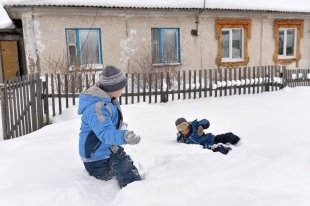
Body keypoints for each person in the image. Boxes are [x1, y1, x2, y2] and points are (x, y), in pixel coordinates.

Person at [78, 65, 141, 188]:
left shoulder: (108, 100)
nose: (123, 90)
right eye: (121, 87)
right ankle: (135, 193)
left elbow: (109, 124)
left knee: (127, 163)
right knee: (125, 170)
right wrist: (124, 136)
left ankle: (136, 185)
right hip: (97, 159)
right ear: (113, 88)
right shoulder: (97, 108)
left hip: (108, 150)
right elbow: (106, 134)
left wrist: (121, 128)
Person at [175, 117, 240, 155]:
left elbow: (205, 121)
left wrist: (201, 126)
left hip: (211, 139)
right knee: (220, 150)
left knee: (230, 136)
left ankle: (240, 143)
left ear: (188, 125)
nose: (184, 130)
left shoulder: (194, 126)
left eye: (184, 126)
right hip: (205, 148)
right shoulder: (181, 138)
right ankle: (230, 152)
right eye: (180, 128)